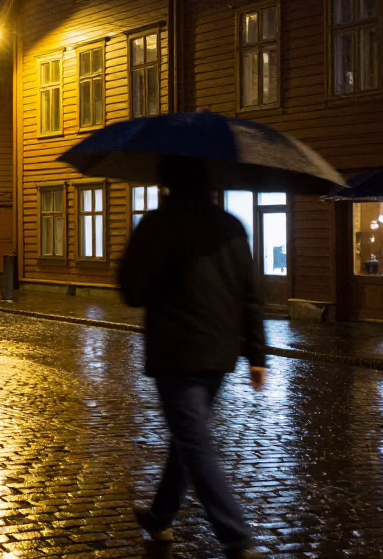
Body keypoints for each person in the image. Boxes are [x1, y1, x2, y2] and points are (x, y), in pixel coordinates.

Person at [118, 156, 266, 559]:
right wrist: (257, 354)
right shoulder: (231, 225)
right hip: (220, 352)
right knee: (188, 435)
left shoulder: (157, 224)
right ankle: (160, 515)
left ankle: (237, 539)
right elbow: (251, 292)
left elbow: (132, 290)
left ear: (167, 181)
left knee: (194, 440)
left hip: (176, 350)